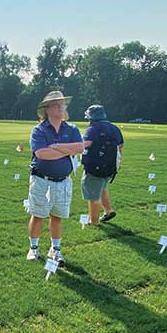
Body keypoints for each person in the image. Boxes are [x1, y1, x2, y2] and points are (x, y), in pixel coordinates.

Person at [26, 91, 89, 264]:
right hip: (41, 180)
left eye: (62, 104)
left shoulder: (72, 129)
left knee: (57, 216)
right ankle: (33, 248)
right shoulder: (39, 130)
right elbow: (42, 153)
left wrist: (57, 146)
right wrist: (66, 150)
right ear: (47, 109)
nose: (61, 107)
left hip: (63, 181)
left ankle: (55, 249)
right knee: (38, 215)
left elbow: (80, 148)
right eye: (56, 104)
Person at [81, 104, 124, 224]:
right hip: (111, 167)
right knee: (102, 187)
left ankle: (93, 221)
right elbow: (120, 145)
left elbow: (86, 144)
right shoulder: (114, 128)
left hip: (95, 168)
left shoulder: (93, 129)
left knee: (93, 196)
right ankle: (108, 211)